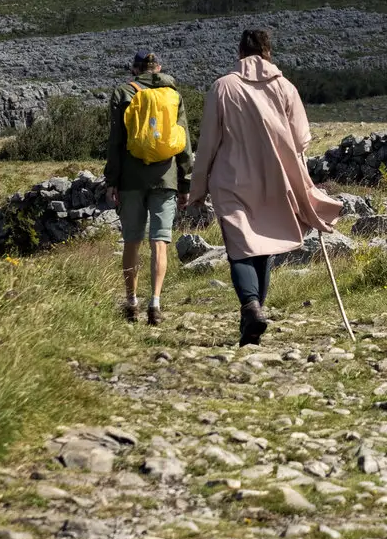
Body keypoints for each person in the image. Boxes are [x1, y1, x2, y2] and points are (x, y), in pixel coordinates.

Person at [186, 28, 343, 345]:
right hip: (275, 180)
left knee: (241, 248)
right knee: (263, 247)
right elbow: (301, 141)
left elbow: (208, 145)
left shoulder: (223, 87)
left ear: (240, 53)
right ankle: (254, 316)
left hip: (231, 181)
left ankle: (251, 307)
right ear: (268, 52)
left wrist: (197, 190)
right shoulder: (285, 88)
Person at [104, 50, 192, 326]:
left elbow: (115, 142)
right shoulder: (173, 94)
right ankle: (155, 302)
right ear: (159, 68)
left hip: (130, 179)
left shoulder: (123, 93)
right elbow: (184, 142)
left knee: (132, 240)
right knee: (159, 241)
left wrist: (111, 181)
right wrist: (185, 183)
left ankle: (131, 302)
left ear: (134, 69)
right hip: (165, 178)